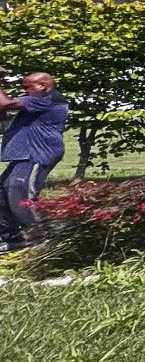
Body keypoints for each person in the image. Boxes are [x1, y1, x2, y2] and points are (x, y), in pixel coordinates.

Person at [0, 72, 69, 252]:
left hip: (39, 153)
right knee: (2, 192)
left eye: (28, 87)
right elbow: (3, 112)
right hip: (24, 155)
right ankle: (12, 238)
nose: (25, 91)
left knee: (20, 196)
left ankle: (44, 239)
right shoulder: (37, 99)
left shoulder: (48, 97)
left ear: (43, 86)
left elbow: (5, 103)